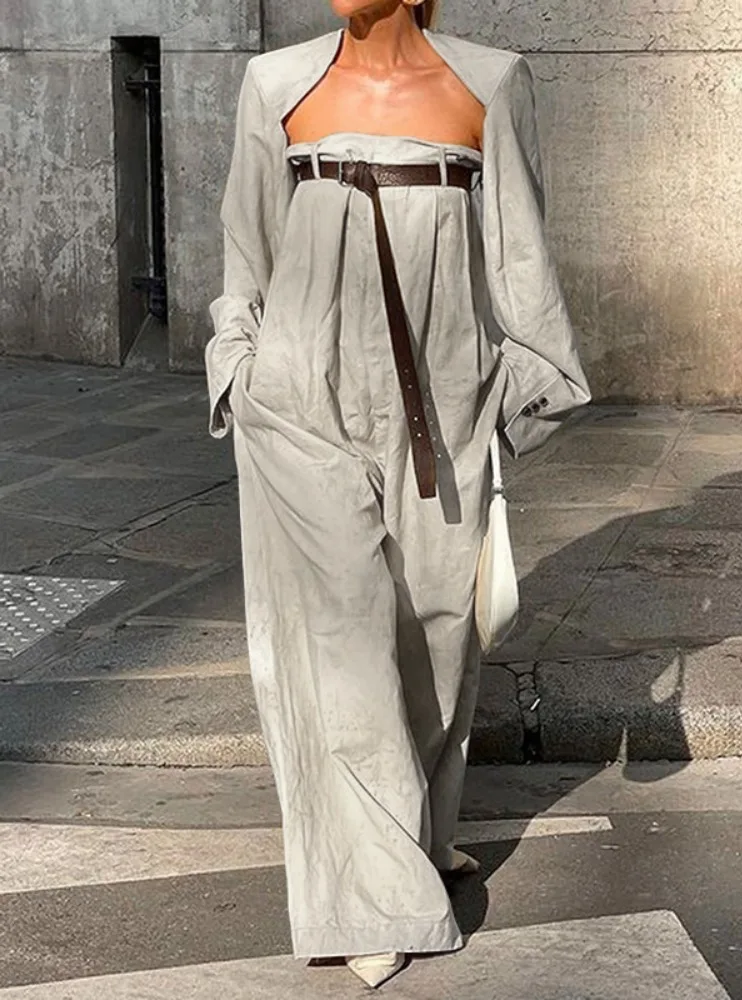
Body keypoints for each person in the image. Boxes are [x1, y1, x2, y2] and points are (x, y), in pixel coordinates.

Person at [205, 0, 591, 988]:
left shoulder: (489, 84)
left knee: (435, 638)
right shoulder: (274, 85)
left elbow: (519, 256)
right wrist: (237, 371)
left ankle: (413, 834)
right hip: (301, 399)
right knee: (340, 639)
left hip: (443, 399)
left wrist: (529, 386)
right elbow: (247, 252)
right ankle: (372, 892)